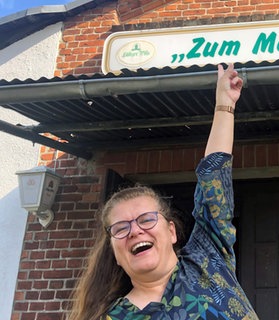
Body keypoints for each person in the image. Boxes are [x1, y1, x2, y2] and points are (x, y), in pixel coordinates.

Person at [68, 63, 259, 320]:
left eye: (146, 219)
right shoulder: (111, 317)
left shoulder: (208, 258)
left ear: (171, 231)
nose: (135, 230)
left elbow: (214, 177)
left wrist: (224, 106)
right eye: (121, 228)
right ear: (114, 250)